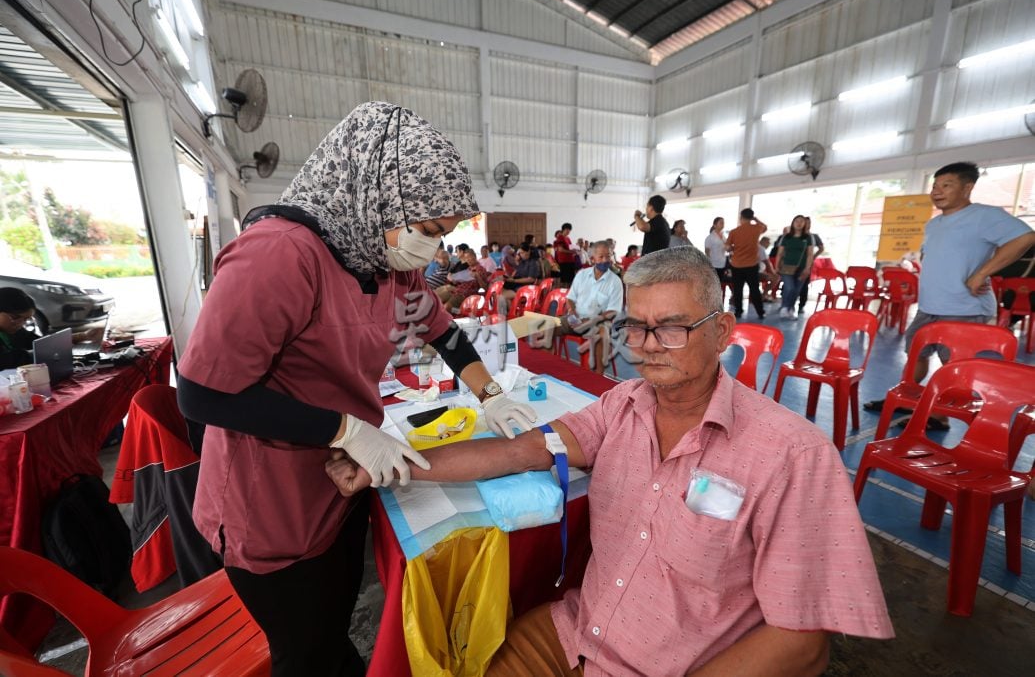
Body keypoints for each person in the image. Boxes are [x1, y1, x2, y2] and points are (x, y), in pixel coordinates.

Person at [328, 246, 894, 676]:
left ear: (721, 332)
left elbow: (801, 641)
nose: (647, 344)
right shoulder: (622, 407)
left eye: (671, 327)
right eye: (635, 325)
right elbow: (520, 450)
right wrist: (395, 462)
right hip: (574, 636)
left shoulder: (791, 454)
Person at [175, 102, 538, 677]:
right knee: (303, 650)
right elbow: (201, 394)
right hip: (269, 501)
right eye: (426, 231)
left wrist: (490, 394)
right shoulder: (279, 256)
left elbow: (443, 333)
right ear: (378, 196)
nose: (433, 250)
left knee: (334, 626)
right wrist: (342, 428)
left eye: (441, 236)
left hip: (342, 481)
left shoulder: (385, 260)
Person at [864, 162, 1035, 424]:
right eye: (935, 186)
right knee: (916, 354)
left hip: (964, 308)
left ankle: (941, 415)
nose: (937, 191)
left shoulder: (984, 215)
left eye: (947, 185)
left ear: (967, 187)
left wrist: (982, 273)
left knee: (954, 365)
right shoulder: (935, 224)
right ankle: (905, 397)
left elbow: (1025, 238)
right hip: (929, 306)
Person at [534, 241, 623, 374]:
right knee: (545, 326)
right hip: (576, 318)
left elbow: (613, 311)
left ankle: (597, 380)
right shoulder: (582, 275)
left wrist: (591, 321)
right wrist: (572, 312)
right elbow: (570, 298)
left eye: (608, 256)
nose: (606, 260)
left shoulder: (615, 282)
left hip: (599, 322)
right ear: (592, 259)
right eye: (601, 257)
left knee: (601, 334)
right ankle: (548, 372)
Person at [725, 207, 768, 320]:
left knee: (738, 289)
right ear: (751, 217)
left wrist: (733, 248)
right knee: (754, 289)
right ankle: (760, 312)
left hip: (737, 265)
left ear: (741, 217)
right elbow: (765, 227)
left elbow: (727, 247)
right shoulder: (756, 228)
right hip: (752, 265)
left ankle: (738, 311)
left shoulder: (734, 232)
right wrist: (755, 219)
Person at [774, 216, 814, 320]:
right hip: (787, 267)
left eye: (802, 222)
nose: (799, 223)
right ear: (793, 223)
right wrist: (776, 266)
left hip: (802, 268)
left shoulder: (808, 238)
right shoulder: (786, 237)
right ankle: (785, 308)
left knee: (796, 290)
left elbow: (810, 254)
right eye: (797, 221)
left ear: (805, 224)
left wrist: (807, 268)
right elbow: (780, 253)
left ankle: (790, 309)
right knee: (789, 287)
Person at [0, 287, 38, 371]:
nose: (21, 324)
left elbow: (33, 341)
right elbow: (3, 360)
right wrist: (37, 353)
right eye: (15, 317)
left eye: (26, 319)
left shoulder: (12, 328)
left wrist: (65, 339)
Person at [797, 216, 825, 314]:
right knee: (791, 285)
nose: (807, 225)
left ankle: (801, 305)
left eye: (809, 223)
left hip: (807, 264)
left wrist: (813, 256)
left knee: (804, 285)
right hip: (794, 264)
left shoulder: (814, 236)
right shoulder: (795, 235)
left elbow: (821, 248)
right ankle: (788, 304)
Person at [703, 216, 728, 283]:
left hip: (722, 262)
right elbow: (707, 251)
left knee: (720, 281)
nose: (723, 224)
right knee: (715, 282)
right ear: (715, 225)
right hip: (714, 263)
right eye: (721, 223)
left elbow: (726, 247)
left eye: (723, 223)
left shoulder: (723, 236)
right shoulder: (710, 237)